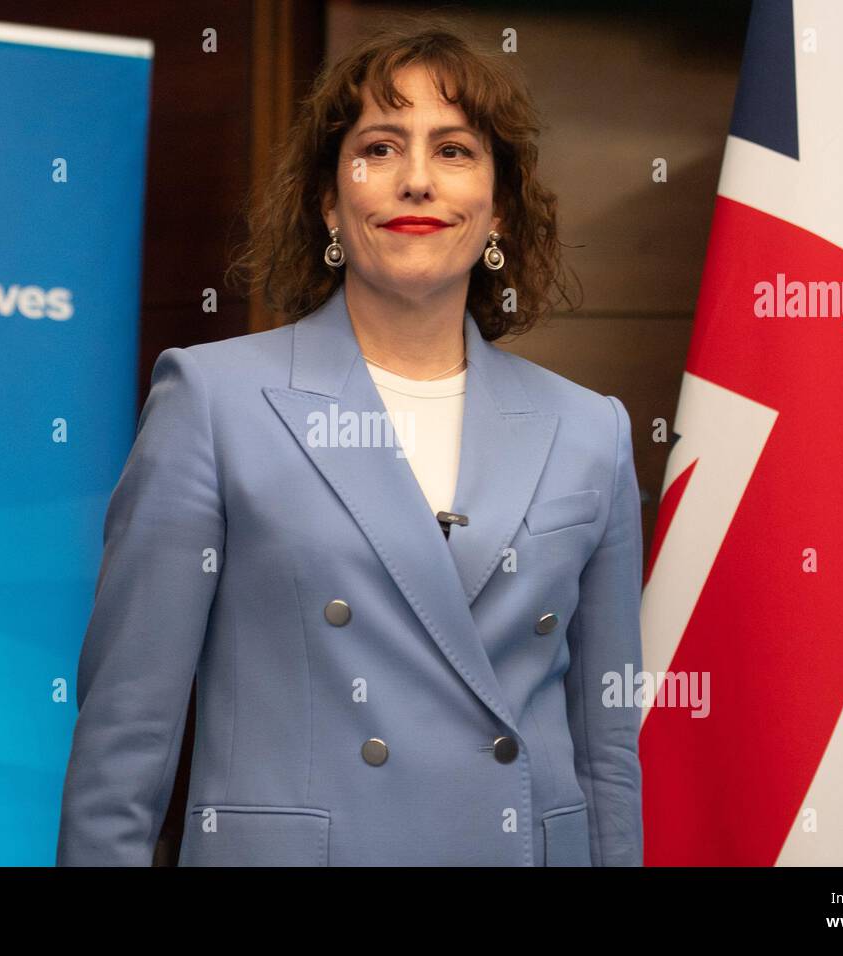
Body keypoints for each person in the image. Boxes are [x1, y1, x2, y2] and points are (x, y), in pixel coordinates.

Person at [56, 19, 644, 867]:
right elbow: (128, 733)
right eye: (378, 147)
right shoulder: (213, 401)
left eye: (453, 150)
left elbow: (606, 753)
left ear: (499, 206)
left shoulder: (595, 432)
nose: (415, 181)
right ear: (331, 201)